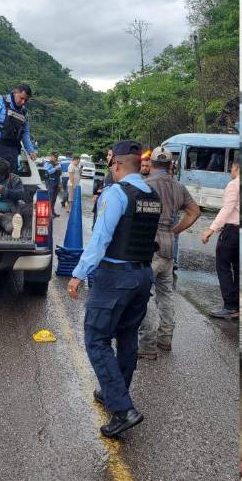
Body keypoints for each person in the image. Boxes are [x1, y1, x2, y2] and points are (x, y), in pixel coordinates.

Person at [67, 140, 161, 439]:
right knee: (127, 336)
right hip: (142, 276)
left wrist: (77, 274)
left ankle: (123, 409)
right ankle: (114, 392)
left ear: (117, 165)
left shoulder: (117, 193)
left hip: (116, 277)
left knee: (96, 339)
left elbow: (100, 238)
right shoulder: (151, 194)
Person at [137, 146, 201, 358]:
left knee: (143, 296)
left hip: (149, 249)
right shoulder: (179, 187)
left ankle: (146, 345)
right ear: (170, 165)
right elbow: (195, 212)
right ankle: (165, 339)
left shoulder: (145, 185)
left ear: (152, 164)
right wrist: (174, 231)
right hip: (168, 248)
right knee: (166, 295)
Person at [201, 159, 240, 319]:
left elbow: (228, 207)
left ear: (237, 167)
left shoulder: (234, 184)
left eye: (231, 167)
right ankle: (238, 304)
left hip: (232, 231)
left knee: (223, 266)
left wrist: (211, 229)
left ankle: (230, 305)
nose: (231, 171)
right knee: (239, 269)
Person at [0, 84, 37, 173]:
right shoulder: (0, 100)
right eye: (21, 98)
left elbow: (25, 133)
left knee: (10, 178)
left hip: (12, 149)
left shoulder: (24, 112)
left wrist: (30, 150)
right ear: (15, 92)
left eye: (26, 100)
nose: (23, 102)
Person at [44, 152, 61, 217]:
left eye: (57, 157)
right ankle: (48, 213)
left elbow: (59, 174)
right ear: (51, 157)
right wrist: (55, 168)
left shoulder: (57, 164)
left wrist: (60, 183)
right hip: (50, 183)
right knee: (50, 198)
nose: (56, 158)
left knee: (54, 198)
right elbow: (47, 171)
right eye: (55, 157)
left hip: (56, 183)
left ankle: (52, 211)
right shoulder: (48, 163)